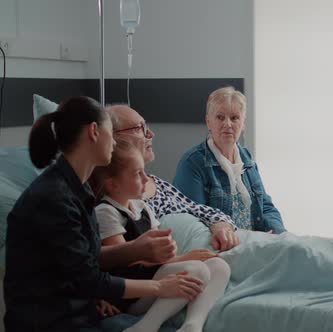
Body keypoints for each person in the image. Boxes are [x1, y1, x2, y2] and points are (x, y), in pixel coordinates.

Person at [3, 96, 203, 331]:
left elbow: (81, 264)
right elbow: (89, 279)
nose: (115, 144)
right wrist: (159, 287)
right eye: (112, 133)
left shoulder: (79, 190)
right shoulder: (54, 198)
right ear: (94, 131)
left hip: (83, 310)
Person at [91, 139, 230, 332]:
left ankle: (192, 325)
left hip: (154, 279)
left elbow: (161, 256)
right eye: (137, 174)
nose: (147, 179)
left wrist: (176, 257)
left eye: (144, 172)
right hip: (133, 293)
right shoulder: (106, 212)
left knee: (219, 266)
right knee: (197, 270)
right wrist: (185, 258)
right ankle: (146, 326)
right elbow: (127, 262)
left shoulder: (142, 207)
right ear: (113, 185)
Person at [107, 104, 241, 252]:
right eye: (139, 128)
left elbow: (198, 209)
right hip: (198, 257)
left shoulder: (158, 184)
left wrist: (221, 226)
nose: (150, 134)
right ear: (112, 137)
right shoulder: (116, 202)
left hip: (223, 243)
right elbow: (126, 258)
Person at [173, 86, 286, 233]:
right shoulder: (192, 163)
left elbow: (266, 207)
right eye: (220, 117)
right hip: (220, 248)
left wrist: (280, 234)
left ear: (243, 123)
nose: (227, 124)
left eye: (234, 118)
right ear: (208, 122)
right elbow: (192, 221)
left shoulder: (248, 160)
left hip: (254, 243)